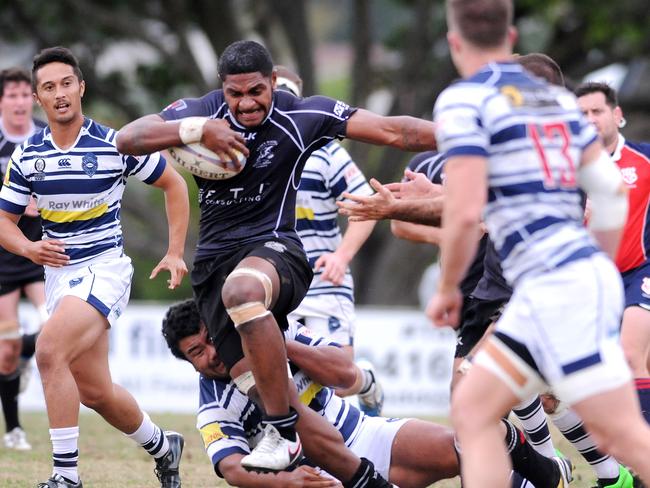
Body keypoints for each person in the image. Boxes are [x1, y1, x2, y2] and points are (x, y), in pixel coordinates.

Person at [116, 39, 436, 473]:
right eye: (235, 94)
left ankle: (282, 431)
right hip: (212, 270)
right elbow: (128, 138)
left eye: (256, 91)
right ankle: (334, 460)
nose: (246, 104)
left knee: (244, 291)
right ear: (221, 89)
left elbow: (395, 131)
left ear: (272, 82)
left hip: (276, 251)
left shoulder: (302, 115)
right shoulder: (203, 111)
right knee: (284, 404)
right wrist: (197, 131)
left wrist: (471, 137)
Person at [339, 53, 637, 488]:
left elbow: (471, 213)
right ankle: (593, 475)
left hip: (523, 288)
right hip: (508, 286)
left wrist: (400, 207)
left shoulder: (527, 145)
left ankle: (555, 471)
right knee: (526, 399)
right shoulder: (551, 143)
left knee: (477, 403)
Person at [427, 0, 650, 486]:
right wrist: (597, 273)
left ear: (455, 42)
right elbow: (611, 195)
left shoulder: (465, 100)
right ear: (509, 38)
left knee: (624, 436)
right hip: (568, 282)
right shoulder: (556, 103)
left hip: (554, 287)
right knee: (473, 406)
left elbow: (465, 211)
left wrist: (446, 289)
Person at [0, 47, 190, 488]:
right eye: (49, 87)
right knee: (95, 392)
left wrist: (175, 250)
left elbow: (174, 183)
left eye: (67, 83)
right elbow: (4, 222)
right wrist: (29, 250)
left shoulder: (114, 144)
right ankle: (163, 445)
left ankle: (66, 477)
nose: (60, 93)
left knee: (48, 352)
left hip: (105, 269)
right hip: (59, 277)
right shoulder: (28, 156)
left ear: (81, 87)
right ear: (38, 98)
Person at [161, 298, 572, 488]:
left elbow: (343, 372)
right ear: (189, 363)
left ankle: (546, 476)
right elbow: (232, 469)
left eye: (212, 338)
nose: (213, 354)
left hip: (367, 433)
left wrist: (278, 347)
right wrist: (288, 483)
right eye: (197, 353)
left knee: (470, 443)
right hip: (322, 470)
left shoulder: (274, 337)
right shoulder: (214, 405)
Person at [273, 66, 383, 416]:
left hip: (323, 278)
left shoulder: (326, 153)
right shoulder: (248, 153)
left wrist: (341, 256)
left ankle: (365, 380)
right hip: (276, 279)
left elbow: (368, 206)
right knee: (280, 370)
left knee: (337, 375)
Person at [575, 81, 650, 426]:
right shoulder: (566, 170)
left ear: (616, 115)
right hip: (590, 283)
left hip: (640, 273)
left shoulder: (644, 159)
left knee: (630, 354)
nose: (590, 120)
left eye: (597, 111)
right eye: (582, 114)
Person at [0, 66, 47, 451]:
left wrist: (42, 202)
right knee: (6, 348)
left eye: (22, 94)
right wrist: (13, 203)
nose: (18, 102)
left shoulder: (44, 138)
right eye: (10, 95)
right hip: (2, 254)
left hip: (38, 253)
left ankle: (30, 353)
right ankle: (14, 429)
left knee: (56, 324)